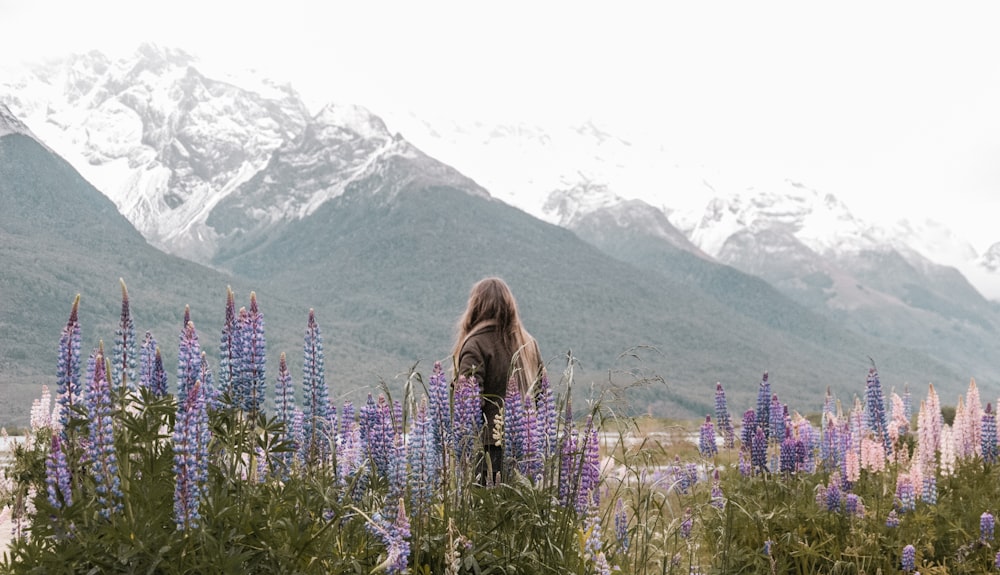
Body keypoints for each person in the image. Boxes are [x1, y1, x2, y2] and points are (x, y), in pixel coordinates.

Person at [452, 277, 544, 484]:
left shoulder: (475, 344)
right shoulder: (528, 343)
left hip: (488, 450)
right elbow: (542, 397)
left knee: (486, 510)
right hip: (526, 448)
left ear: (475, 307)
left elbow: (468, 403)